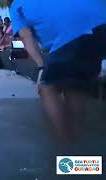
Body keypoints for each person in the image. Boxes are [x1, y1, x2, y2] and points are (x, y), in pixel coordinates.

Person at [9, 0, 106, 141]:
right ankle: (78, 142)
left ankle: (66, 144)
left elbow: (26, 36)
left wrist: (41, 66)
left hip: (73, 37)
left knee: (47, 87)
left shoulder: (16, 6)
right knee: (74, 85)